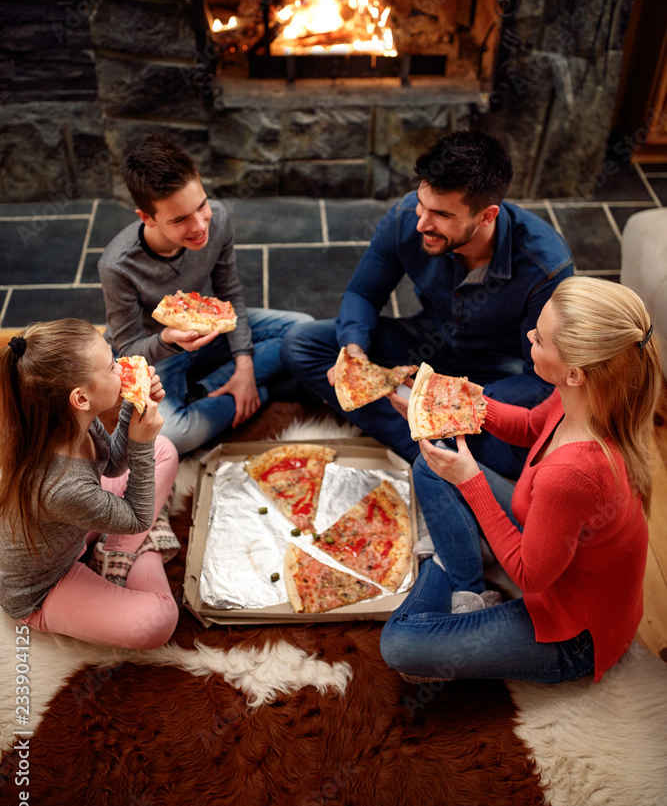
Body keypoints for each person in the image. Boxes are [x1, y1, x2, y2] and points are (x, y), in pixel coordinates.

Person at [380, 277, 662, 685]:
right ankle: (469, 587)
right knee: (429, 468)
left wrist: (471, 481)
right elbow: (531, 425)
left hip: (573, 633)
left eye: (541, 339)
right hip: (546, 534)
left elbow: (530, 577)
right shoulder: (589, 398)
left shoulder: (573, 473)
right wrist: (452, 402)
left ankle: (439, 561)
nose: (530, 334)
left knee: (401, 644)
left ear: (575, 373)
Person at [280, 129, 574, 478]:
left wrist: (450, 401)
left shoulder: (546, 268)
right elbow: (362, 294)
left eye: (441, 215)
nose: (422, 222)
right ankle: (428, 450)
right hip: (425, 344)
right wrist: (354, 353)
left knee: (520, 459)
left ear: (486, 216)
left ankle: (423, 440)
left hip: (495, 373)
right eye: (421, 204)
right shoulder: (406, 217)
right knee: (301, 345)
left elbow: (540, 380)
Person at [98, 134, 313, 455]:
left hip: (205, 330)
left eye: (201, 205)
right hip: (154, 353)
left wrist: (244, 367)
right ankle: (264, 392)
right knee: (173, 437)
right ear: (147, 218)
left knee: (306, 329)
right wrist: (168, 339)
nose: (200, 225)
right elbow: (128, 350)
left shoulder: (219, 217)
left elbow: (230, 293)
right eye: (180, 219)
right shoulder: (117, 266)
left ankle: (214, 388)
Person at [0, 319, 180, 649]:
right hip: (46, 585)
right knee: (159, 620)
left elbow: (112, 465)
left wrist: (133, 403)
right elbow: (138, 517)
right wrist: (141, 443)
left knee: (164, 448)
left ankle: (113, 550)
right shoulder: (61, 487)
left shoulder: (70, 420)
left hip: (74, 526)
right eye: (112, 365)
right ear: (81, 398)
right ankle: (140, 547)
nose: (122, 366)